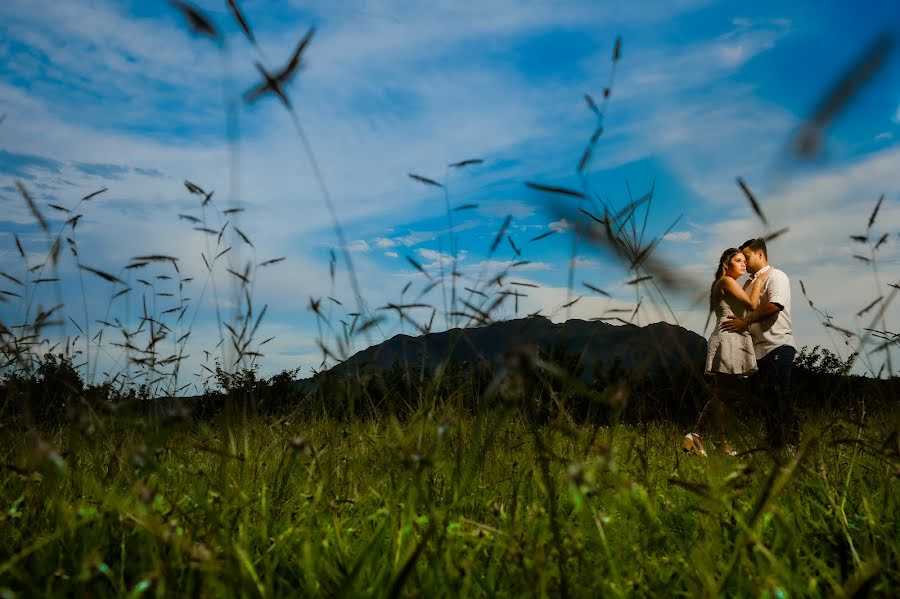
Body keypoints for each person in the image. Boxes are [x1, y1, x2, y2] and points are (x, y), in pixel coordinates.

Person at [683, 248, 768, 457]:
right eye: (738, 261)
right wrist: (759, 281)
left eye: (744, 261)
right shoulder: (726, 281)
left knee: (726, 395)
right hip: (728, 338)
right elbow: (752, 304)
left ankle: (704, 438)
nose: (743, 264)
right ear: (725, 264)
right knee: (723, 394)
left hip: (733, 337)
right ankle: (702, 436)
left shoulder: (730, 284)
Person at [721, 238, 797, 450]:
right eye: (741, 258)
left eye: (747, 257)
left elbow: (775, 305)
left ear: (760, 254)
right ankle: (775, 445)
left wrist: (745, 321)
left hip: (778, 344)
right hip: (757, 351)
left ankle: (790, 445)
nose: (744, 262)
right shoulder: (748, 283)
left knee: (780, 395)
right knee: (767, 401)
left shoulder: (776, 276)